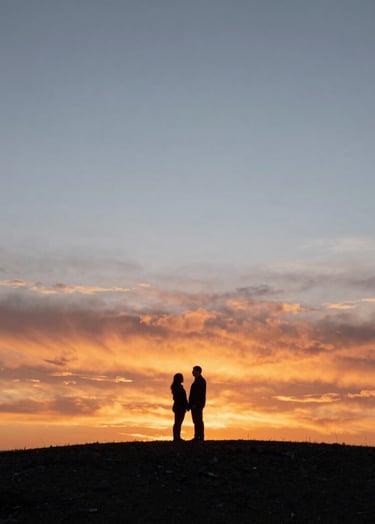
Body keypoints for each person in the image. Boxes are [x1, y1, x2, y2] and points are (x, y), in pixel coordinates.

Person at [188, 365, 206, 441]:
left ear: (198, 371)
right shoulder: (197, 381)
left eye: (194, 370)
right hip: (194, 404)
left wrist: (197, 404)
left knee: (198, 420)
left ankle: (200, 437)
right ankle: (197, 436)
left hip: (197, 404)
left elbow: (200, 394)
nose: (192, 372)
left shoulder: (201, 381)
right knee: (196, 420)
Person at [170, 373, 189, 441]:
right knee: (178, 422)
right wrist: (187, 406)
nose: (183, 379)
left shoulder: (177, 387)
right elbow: (182, 398)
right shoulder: (178, 388)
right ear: (179, 379)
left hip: (179, 407)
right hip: (180, 407)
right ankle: (176, 437)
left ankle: (177, 437)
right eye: (181, 377)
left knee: (178, 422)